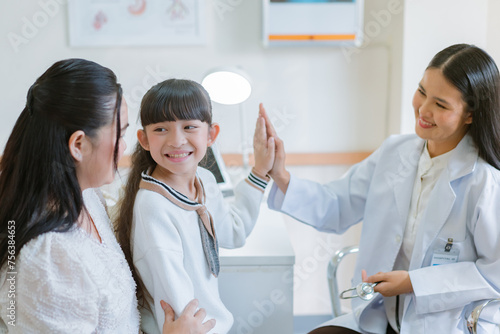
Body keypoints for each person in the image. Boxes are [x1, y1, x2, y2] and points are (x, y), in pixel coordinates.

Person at [262, 44, 500, 334]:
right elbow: (336, 205)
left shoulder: (485, 182)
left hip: (447, 325)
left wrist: (413, 283)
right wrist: (281, 176)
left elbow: (495, 274)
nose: (423, 110)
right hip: (381, 318)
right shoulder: (395, 152)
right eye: (422, 92)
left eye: (441, 105)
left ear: (470, 115)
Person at [0, 59, 215, 333]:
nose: (126, 148)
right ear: (78, 145)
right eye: (121, 134)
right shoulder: (49, 260)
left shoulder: (87, 195)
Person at [115, 79, 275, 334]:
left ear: (211, 134)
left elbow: (233, 233)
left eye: (189, 127)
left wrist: (260, 170)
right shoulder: (154, 207)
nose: (177, 140)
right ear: (143, 139)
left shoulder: (204, 179)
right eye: (160, 129)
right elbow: (179, 309)